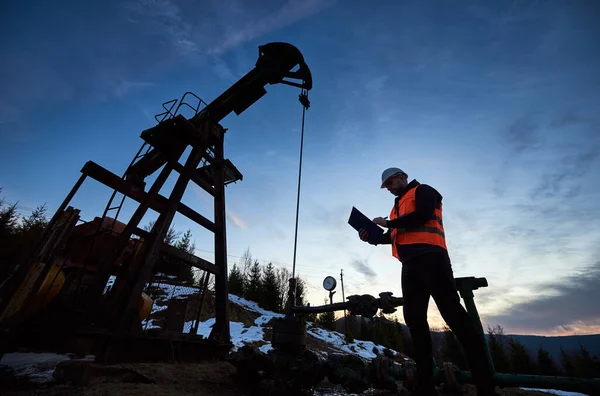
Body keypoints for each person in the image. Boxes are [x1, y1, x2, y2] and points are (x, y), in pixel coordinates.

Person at [358, 167, 495, 396]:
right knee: (415, 321)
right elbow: (392, 237)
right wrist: (371, 238)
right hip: (410, 266)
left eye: (391, 182)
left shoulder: (424, 191)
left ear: (402, 177)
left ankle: (486, 387)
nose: (390, 188)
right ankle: (425, 386)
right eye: (387, 186)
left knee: (455, 318)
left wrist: (388, 223)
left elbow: (422, 215)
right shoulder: (396, 208)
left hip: (433, 259)